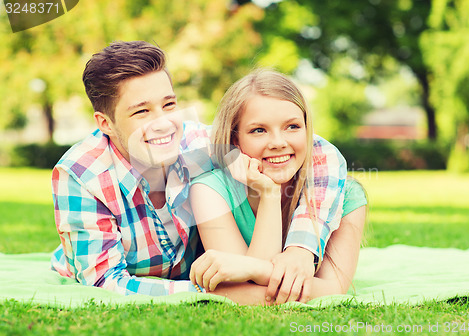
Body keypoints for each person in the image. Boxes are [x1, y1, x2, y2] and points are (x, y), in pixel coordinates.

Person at [50, 41, 347, 302]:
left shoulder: (197, 145)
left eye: (168, 105)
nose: (163, 123)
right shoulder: (80, 175)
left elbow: (320, 152)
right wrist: (215, 294)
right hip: (178, 282)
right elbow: (105, 283)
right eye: (142, 111)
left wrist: (301, 248)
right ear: (105, 123)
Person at [189, 69, 367, 304]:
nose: (278, 143)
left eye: (292, 127)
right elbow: (236, 289)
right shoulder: (210, 191)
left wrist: (257, 271)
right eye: (258, 130)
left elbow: (334, 290)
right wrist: (269, 194)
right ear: (235, 140)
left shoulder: (346, 196)